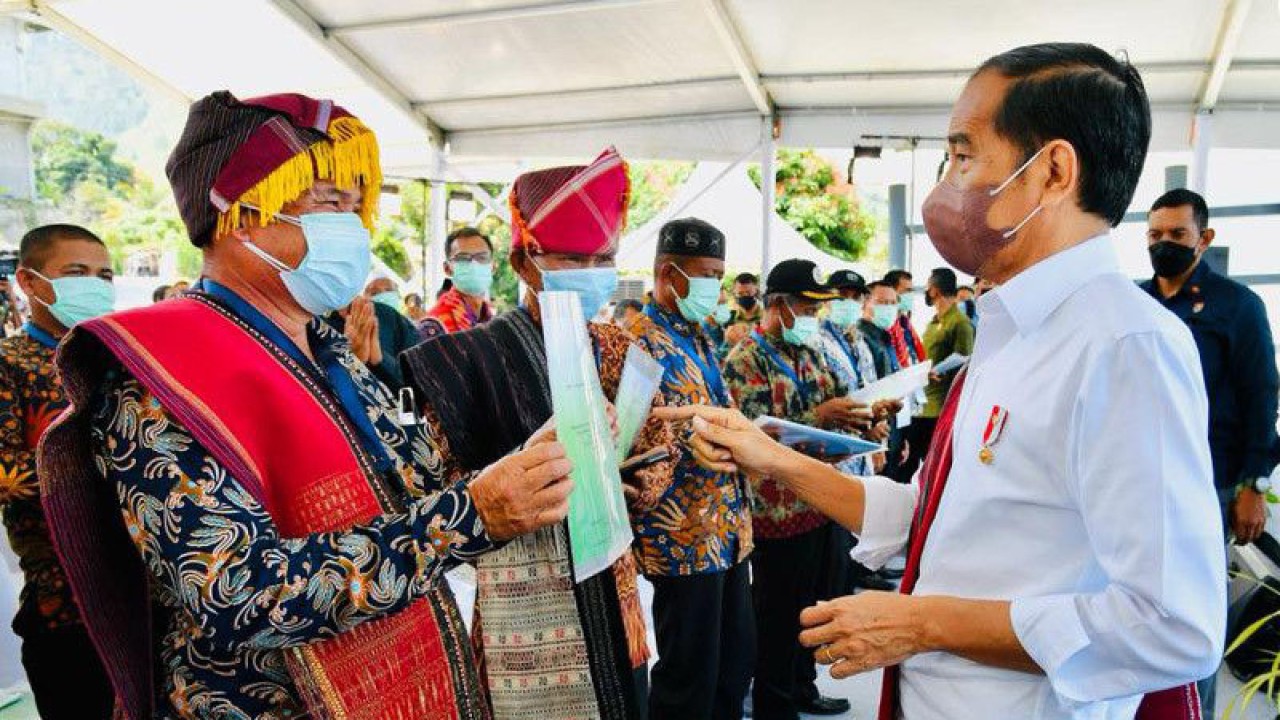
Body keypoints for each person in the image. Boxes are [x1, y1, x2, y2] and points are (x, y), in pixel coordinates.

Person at [662, 42, 1224, 720]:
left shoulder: (1124, 345)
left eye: (964, 156)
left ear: (1052, 170)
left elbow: (1172, 625)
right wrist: (769, 453)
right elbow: (928, 521)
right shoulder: (1011, 329)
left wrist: (921, 623)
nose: (947, 184)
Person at [36, 91, 574, 720]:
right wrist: (470, 516)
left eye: (354, 207)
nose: (352, 228)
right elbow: (236, 595)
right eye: (327, 204)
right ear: (237, 216)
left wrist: (529, 468)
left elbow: (417, 475)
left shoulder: (330, 346)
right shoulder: (163, 374)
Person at [401, 147, 676, 720]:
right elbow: (431, 480)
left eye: (605, 257)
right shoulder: (464, 357)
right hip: (522, 604)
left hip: (614, 590)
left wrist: (633, 481)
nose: (594, 271)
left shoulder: (620, 348)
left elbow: (657, 447)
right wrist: (517, 482)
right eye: (575, 258)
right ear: (527, 262)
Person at [1141, 187, 1279, 714]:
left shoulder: (1237, 307)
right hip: (1138, 479)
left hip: (1210, 483)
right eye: (1155, 235)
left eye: (1177, 234)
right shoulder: (1135, 300)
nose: (1165, 244)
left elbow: (1260, 396)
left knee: (1195, 615)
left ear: (1205, 238)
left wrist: (1253, 484)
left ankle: (1192, 709)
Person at [723, 258, 871, 719]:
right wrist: (819, 420)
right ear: (779, 306)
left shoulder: (811, 353)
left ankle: (803, 687)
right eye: (806, 308)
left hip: (821, 504)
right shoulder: (746, 359)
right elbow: (752, 435)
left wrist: (858, 417)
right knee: (778, 618)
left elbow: (830, 401)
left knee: (814, 609)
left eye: (816, 311)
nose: (813, 319)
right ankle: (774, 705)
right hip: (776, 516)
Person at [623, 217, 754, 720]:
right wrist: (690, 434)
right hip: (681, 540)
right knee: (687, 681)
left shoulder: (699, 336)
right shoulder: (638, 343)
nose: (715, 287)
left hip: (728, 532)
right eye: (706, 274)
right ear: (668, 274)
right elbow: (626, 441)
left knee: (734, 668)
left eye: (720, 274)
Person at [2, 224, 116, 719]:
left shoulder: (117, 358)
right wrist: (102, 458)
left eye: (103, 274)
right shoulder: (10, 363)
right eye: (76, 273)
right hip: (65, 609)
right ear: (29, 283)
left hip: (150, 595)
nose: (94, 284)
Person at [896, 268, 974, 482]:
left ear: (935, 290)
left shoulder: (960, 323)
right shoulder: (934, 321)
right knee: (907, 465)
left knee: (928, 469)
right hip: (920, 405)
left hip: (938, 409)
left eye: (928, 287)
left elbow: (967, 362)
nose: (926, 292)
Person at [325, 291, 420, 391]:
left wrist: (380, 360)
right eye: (375, 289)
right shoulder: (314, 327)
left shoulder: (386, 315)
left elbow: (423, 381)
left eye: (387, 289)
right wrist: (350, 362)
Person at [418, 226, 496, 340]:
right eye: (462, 258)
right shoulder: (435, 324)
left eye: (482, 257)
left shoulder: (492, 322)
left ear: (493, 267)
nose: (474, 264)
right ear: (447, 268)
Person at [859, 281, 903, 379]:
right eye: (882, 302)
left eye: (893, 303)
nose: (889, 307)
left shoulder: (884, 336)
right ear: (864, 303)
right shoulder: (860, 339)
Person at [883, 269, 925, 367]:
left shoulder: (905, 322)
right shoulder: (885, 325)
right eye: (907, 291)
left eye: (911, 291)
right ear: (891, 291)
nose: (911, 295)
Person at [725, 271, 762, 347]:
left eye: (748, 293)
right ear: (735, 292)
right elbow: (726, 343)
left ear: (756, 289)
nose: (745, 296)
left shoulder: (765, 316)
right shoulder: (732, 315)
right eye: (740, 293)